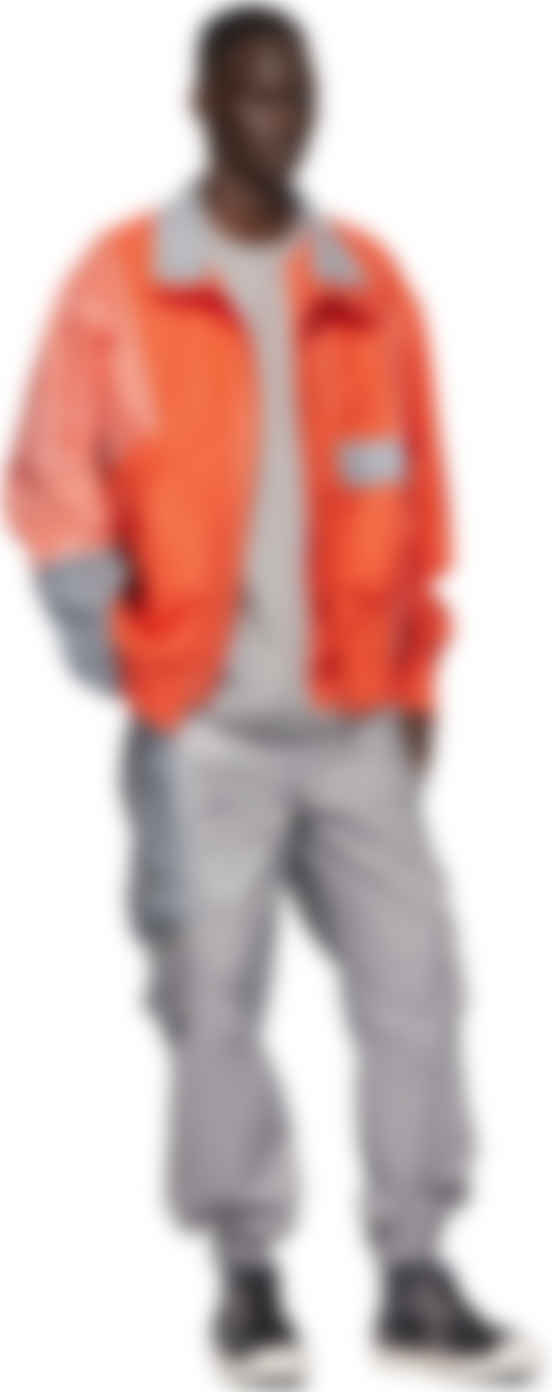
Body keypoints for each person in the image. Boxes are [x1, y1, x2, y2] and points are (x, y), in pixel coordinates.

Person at [5, 6, 538, 1385]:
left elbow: (418, 491)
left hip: (355, 723)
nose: (278, 119)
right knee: (210, 999)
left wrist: (417, 673)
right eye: (251, 94)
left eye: (297, 95)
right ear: (200, 102)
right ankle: (248, 1276)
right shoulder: (124, 282)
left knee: (419, 986)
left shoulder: (366, 284)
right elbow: (54, 482)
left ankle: (416, 1272)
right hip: (210, 735)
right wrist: (134, 663)